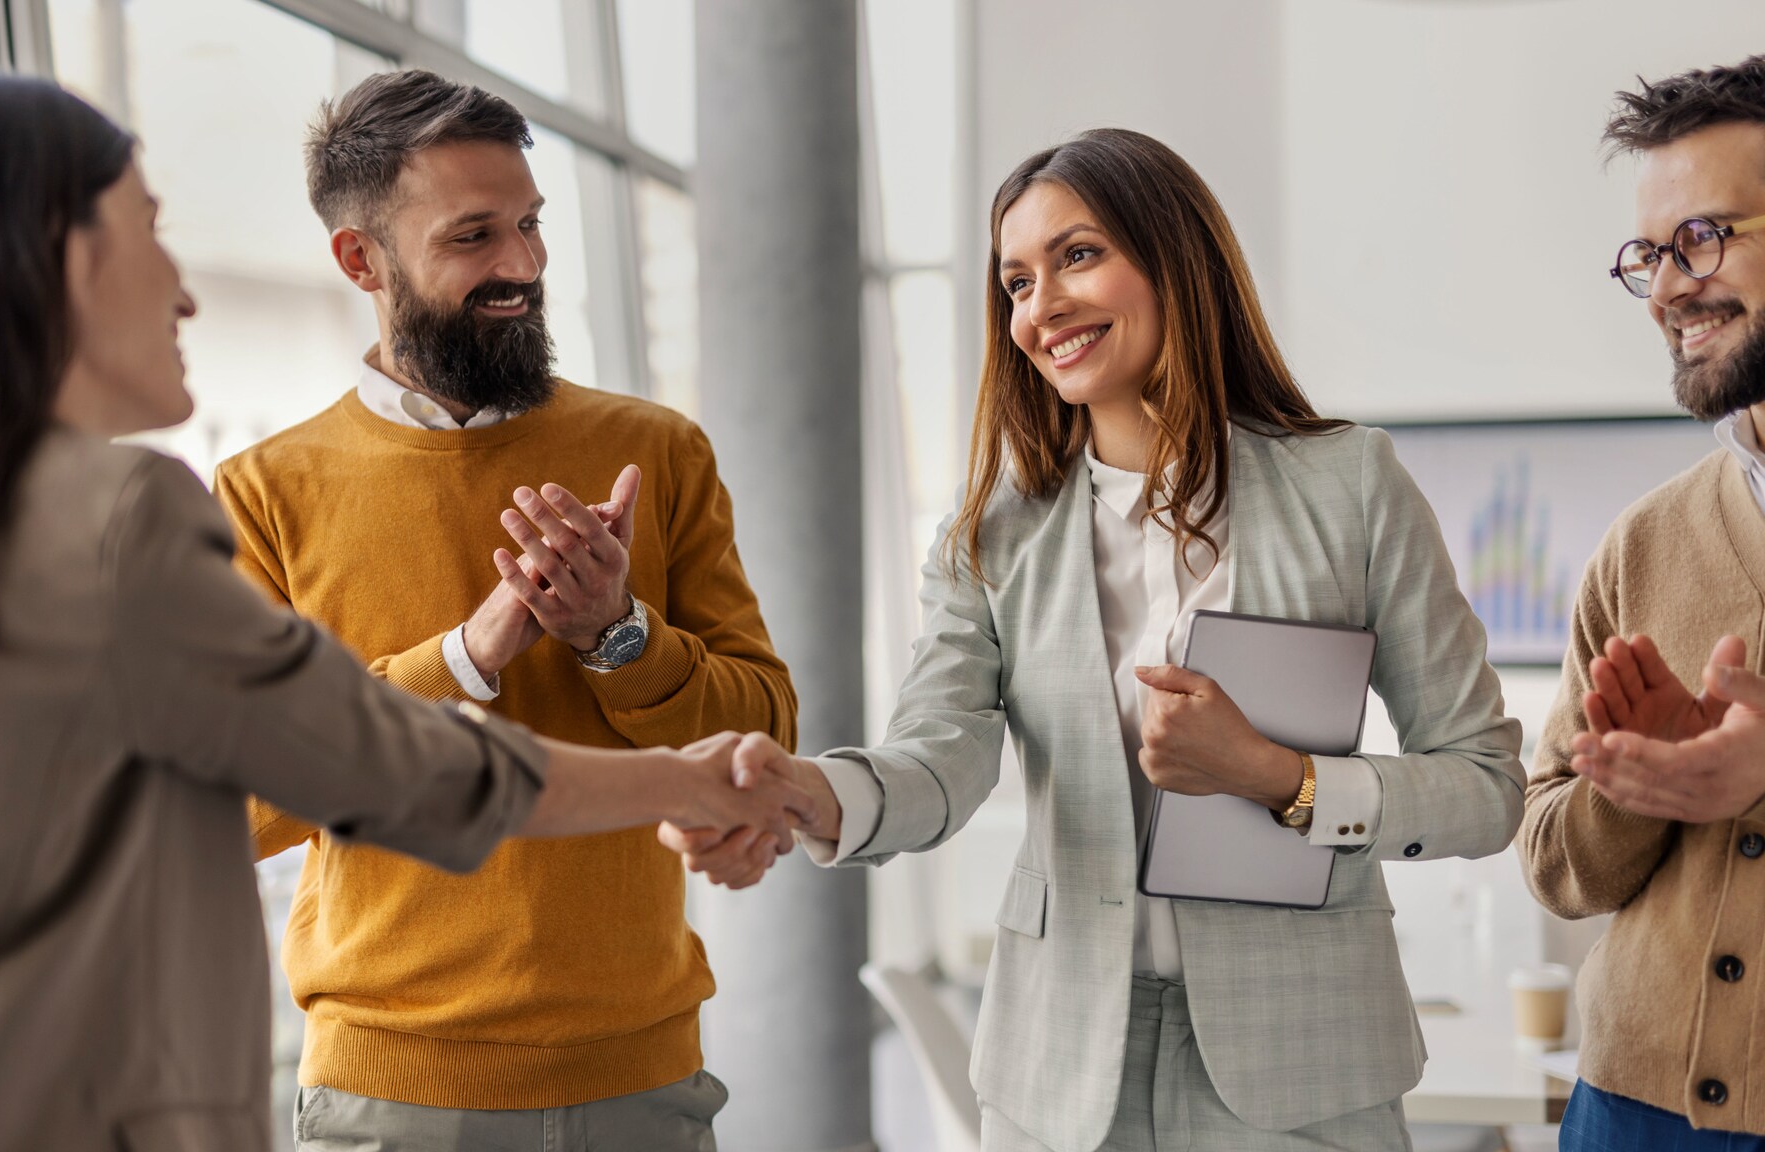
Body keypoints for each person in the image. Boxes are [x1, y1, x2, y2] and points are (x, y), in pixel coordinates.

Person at [0, 73, 811, 1152]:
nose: (186, 292)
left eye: (529, 225)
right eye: (147, 229)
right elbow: (366, 764)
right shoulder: (135, 514)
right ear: (56, 259)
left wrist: (619, 641)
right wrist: (665, 765)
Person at [674, 128, 1526, 1151]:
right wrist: (812, 793)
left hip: (1304, 1061)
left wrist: (1279, 777)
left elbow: (1484, 785)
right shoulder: (989, 532)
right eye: (1016, 282)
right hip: (1059, 1072)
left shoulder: (1347, 487)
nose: (1041, 307)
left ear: (1175, 258)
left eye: (1077, 255)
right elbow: (938, 759)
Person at [210, 69, 798, 1151]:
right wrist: (466, 658)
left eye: (529, 225)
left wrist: (617, 638)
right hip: (390, 1087)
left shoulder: (656, 450)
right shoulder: (264, 492)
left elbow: (762, 737)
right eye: (473, 235)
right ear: (360, 260)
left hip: (641, 1069)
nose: (521, 265)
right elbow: (230, 807)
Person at [1517, 54, 1765, 1151]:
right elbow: (1549, 860)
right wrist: (1640, 785)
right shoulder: (1640, 544)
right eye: (1648, 255)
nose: (1666, 288)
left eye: (1702, 238)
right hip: (1628, 1112)